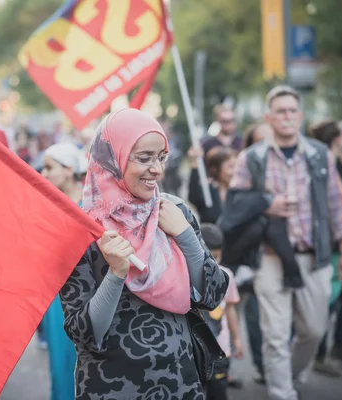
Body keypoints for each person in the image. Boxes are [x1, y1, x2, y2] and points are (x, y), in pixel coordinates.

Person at [60, 108, 229, 399]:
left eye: (161, 157)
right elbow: (83, 334)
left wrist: (185, 235)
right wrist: (116, 274)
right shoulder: (82, 227)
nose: (157, 169)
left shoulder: (174, 211)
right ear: (113, 160)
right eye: (143, 158)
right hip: (111, 387)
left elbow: (212, 294)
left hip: (181, 380)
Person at [228, 85, 342, 400]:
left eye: (292, 110)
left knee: (313, 330)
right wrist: (266, 202)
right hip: (269, 258)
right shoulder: (251, 158)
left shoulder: (319, 154)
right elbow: (236, 204)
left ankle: (286, 375)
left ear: (301, 115)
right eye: (280, 111)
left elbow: (336, 205)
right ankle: (282, 392)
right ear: (268, 117)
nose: (287, 116)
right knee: (275, 335)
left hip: (314, 257)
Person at [40, 142, 84, 400]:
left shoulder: (92, 205)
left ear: (69, 170)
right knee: (61, 367)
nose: (43, 174)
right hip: (55, 298)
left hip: (90, 297)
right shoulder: (46, 206)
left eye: (49, 168)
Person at [309, 120, 342, 374]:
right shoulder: (326, 163)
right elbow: (338, 201)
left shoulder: (336, 162)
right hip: (332, 241)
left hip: (339, 239)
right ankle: (320, 354)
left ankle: (334, 347)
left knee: (340, 297)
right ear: (337, 139)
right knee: (329, 298)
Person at [200, 224, 243, 400]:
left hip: (220, 350)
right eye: (209, 257)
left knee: (218, 393)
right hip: (197, 350)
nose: (214, 263)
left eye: (217, 257)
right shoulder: (190, 276)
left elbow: (230, 309)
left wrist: (237, 339)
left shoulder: (227, 276)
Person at [187, 146, 237, 224]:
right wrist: (194, 163)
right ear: (215, 169)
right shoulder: (207, 191)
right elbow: (193, 198)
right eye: (230, 167)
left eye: (237, 166)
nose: (235, 172)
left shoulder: (240, 192)